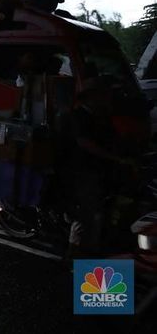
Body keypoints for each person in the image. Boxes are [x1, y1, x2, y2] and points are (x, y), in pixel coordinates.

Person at [57, 76, 137, 256]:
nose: (107, 98)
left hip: (99, 170)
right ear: (91, 97)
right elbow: (84, 142)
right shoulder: (78, 116)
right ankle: (75, 255)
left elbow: (115, 140)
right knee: (87, 214)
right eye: (103, 95)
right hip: (80, 171)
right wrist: (115, 158)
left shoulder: (101, 117)